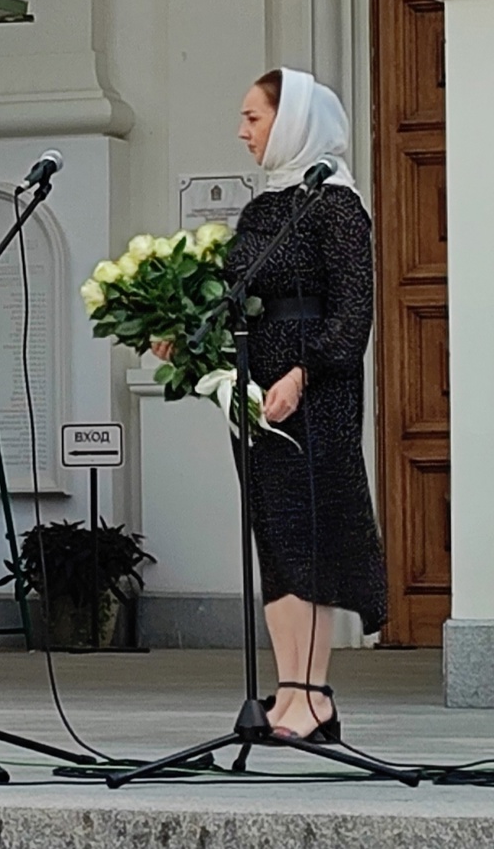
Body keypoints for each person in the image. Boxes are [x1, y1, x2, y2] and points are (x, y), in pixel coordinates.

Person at [155, 67, 386, 741]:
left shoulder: (338, 208)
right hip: (257, 395)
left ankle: (314, 695)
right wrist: (185, 335)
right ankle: (289, 691)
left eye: (253, 118)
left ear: (292, 122)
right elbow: (239, 299)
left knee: (310, 538)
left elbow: (353, 316)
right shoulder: (264, 211)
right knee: (277, 539)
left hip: (315, 394)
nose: (242, 131)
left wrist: (301, 374)